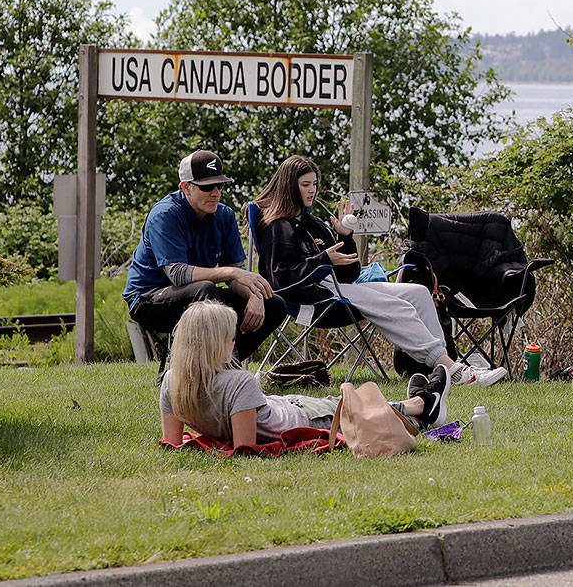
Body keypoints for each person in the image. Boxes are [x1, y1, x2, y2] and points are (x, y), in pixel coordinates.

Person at [253, 155, 506, 387]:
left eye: (314, 184)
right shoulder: (279, 227)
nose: (312, 190)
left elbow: (349, 273)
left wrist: (345, 236)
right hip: (313, 298)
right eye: (305, 184)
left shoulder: (314, 224)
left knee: (417, 292)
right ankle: (455, 371)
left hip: (338, 288)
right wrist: (323, 259)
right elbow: (279, 280)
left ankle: (445, 366)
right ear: (289, 186)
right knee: (400, 308)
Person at [160, 302, 449, 447]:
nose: (234, 343)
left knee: (340, 401)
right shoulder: (238, 382)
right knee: (351, 407)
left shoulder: (173, 381)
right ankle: (424, 405)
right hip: (302, 418)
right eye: (228, 338)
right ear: (213, 344)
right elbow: (245, 449)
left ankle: (419, 405)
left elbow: (172, 442)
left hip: (280, 407)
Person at [125, 150, 286, 362]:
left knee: (274, 303)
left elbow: (234, 278)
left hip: (199, 294)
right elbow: (178, 275)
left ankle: (228, 361)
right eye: (207, 186)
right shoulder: (165, 214)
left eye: (220, 185)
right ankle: (220, 367)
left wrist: (254, 296)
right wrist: (233, 272)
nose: (216, 192)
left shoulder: (225, 216)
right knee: (206, 289)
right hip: (147, 299)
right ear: (186, 187)